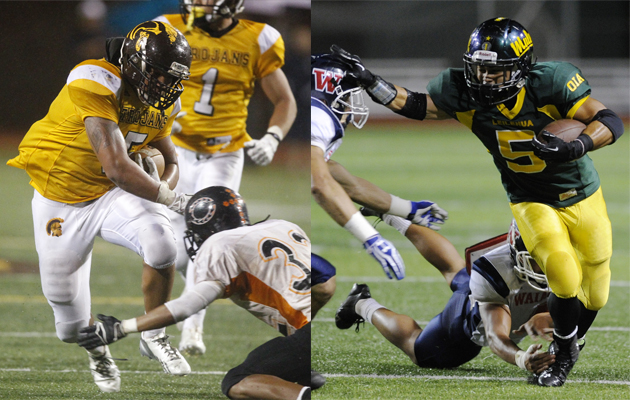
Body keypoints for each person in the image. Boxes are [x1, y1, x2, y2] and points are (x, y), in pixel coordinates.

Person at [332, 16, 624, 386]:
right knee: (561, 271)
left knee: (595, 286)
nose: (485, 78)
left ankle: (394, 219)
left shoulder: (550, 83)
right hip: (528, 197)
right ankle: (565, 358)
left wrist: (576, 145)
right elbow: (418, 106)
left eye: (495, 70)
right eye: (479, 68)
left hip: (581, 193)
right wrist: (373, 84)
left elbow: (609, 120)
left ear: (520, 69)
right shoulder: (462, 92)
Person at [6, 21, 195, 392]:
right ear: (136, 63)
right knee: (70, 327)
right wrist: (172, 198)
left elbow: (170, 161)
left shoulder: (163, 100)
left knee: (162, 243)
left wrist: (164, 184)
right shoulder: (95, 78)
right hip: (61, 197)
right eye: (157, 75)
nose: (164, 86)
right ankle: (98, 352)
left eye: (170, 79)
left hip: (112, 195)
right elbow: (116, 165)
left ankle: (154, 333)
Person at [152, 0, 297, 356]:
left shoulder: (258, 38)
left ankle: (192, 328)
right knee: (171, 246)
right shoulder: (167, 27)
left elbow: (285, 100)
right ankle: (158, 326)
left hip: (224, 153)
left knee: (210, 242)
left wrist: (273, 137)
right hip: (175, 151)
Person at [77, 186, 311, 400]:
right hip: (319, 322)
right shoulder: (285, 226)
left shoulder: (220, 244)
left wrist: (122, 327)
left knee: (237, 381)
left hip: (306, 330)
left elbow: (189, 305)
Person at [336, 214, 558, 376]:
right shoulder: (497, 272)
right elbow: (496, 336)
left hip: (490, 289)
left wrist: (546, 313)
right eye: (534, 258)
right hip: (470, 316)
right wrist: (522, 358)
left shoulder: (576, 261)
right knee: (422, 351)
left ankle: (394, 215)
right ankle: (362, 303)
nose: (543, 266)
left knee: (457, 272)